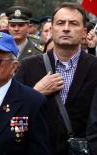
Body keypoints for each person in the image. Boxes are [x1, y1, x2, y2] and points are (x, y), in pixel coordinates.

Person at [15, 2, 97, 155]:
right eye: (60, 23)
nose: (66, 28)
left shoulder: (94, 68)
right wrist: (35, 93)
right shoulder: (27, 66)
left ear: (84, 32)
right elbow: (12, 114)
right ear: (51, 30)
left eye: (73, 23)